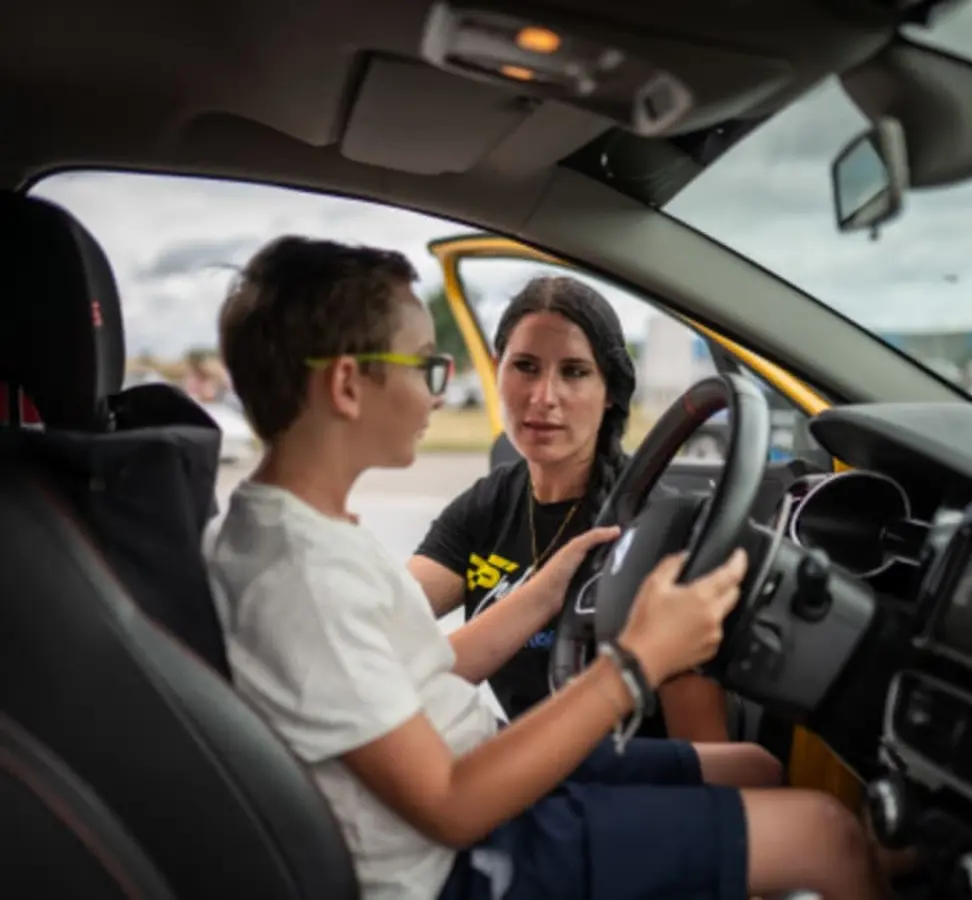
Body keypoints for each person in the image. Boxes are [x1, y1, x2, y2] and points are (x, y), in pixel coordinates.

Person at [205, 236, 891, 900]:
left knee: (757, 768)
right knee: (827, 837)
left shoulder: (301, 535)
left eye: (573, 373)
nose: (440, 394)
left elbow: (423, 668)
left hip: (471, 776)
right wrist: (636, 662)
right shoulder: (303, 578)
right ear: (350, 385)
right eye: (425, 367)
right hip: (458, 861)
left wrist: (547, 589)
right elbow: (450, 806)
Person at [409, 275, 733, 742]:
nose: (544, 397)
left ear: (610, 391)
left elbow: (704, 751)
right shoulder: (486, 505)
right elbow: (383, 626)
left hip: (625, 782)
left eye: (575, 372)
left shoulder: (659, 531)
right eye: (525, 366)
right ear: (497, 371)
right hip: (522, 771)